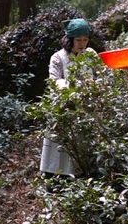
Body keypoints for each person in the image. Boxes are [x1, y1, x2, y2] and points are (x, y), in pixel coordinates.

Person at [40, 18, 97, 180]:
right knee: (59, 146)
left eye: (85, 40)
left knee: (82, 145)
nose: (82, 44)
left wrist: (96, 86)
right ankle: (55, 180)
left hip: (86, 107)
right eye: (78, 40)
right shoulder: (58, 58)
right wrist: (71, 86)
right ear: (69, 39)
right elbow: (54, 81)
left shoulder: (90, 55)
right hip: (63, 108)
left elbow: (100, 74)